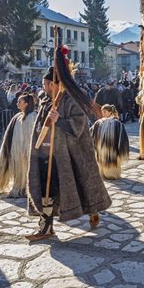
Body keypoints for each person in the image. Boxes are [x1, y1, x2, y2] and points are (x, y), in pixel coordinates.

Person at [26, 59, 111, 241]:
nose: (43, 87)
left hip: (68, 155)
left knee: (80, 185)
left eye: (45, 84)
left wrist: (60, 120)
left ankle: (92, 209)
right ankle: (46, 226)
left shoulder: (70, 99)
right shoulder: (45, 100)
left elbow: (79, 125)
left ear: (52, 84)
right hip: (45, 153)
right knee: (45, 189)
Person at [0, 93, 37, 198]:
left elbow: (31, 136)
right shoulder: (18, 117)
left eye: (19, 102)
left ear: (26, 104)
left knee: (26, 170)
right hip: (17, 151)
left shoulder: (32, 117)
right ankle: (20, 188)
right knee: (18, 171)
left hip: (26, 151)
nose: (17, 103)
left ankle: (26, 188)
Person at [90, 104, 129, 179]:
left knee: (111, 160)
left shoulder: (117, 123)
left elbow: (122, 137)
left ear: (110, 112)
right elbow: (91, 133)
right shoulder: (98, 123)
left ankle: (112, 174)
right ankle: (104, 173)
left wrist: (120, 148)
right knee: (102, 160)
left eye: (105, 112)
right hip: (101, 147)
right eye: (102, 112)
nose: (103, 113)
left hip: (112, 147)